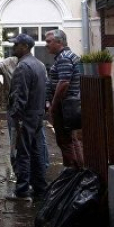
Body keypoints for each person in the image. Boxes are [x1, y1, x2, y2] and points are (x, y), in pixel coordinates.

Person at [0, 55, 50, 173]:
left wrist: (45, 102)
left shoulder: (38, 65)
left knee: (37, 141)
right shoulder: (10, 62)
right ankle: (20, 171)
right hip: (16, 110)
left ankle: (39, 169)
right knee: (16, 139)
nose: (15, 48)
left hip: (32, 111)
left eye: (18, 45)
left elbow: (44, 86)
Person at [6, 34, 48, 199]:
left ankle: (22, 191)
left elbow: (20, 96)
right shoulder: (39, 64)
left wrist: (16, 119)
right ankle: (40, 189)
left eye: (15, 45)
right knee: (36, 152)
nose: (13, 47)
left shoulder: (23, 67)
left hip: (25, 117)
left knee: (22, 152)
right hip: (37, 115)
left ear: (24, 46)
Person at [45, 29, 84, 169]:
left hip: (64, 106)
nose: (46, 45)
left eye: (49, 41)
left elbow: (64, 83)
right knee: (72, 140)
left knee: (65, 142)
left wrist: (53, 106)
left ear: (59, 42)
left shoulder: (64, 58)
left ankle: (71, 175)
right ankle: (78, 172)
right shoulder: (69, 56)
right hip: (69, 105)